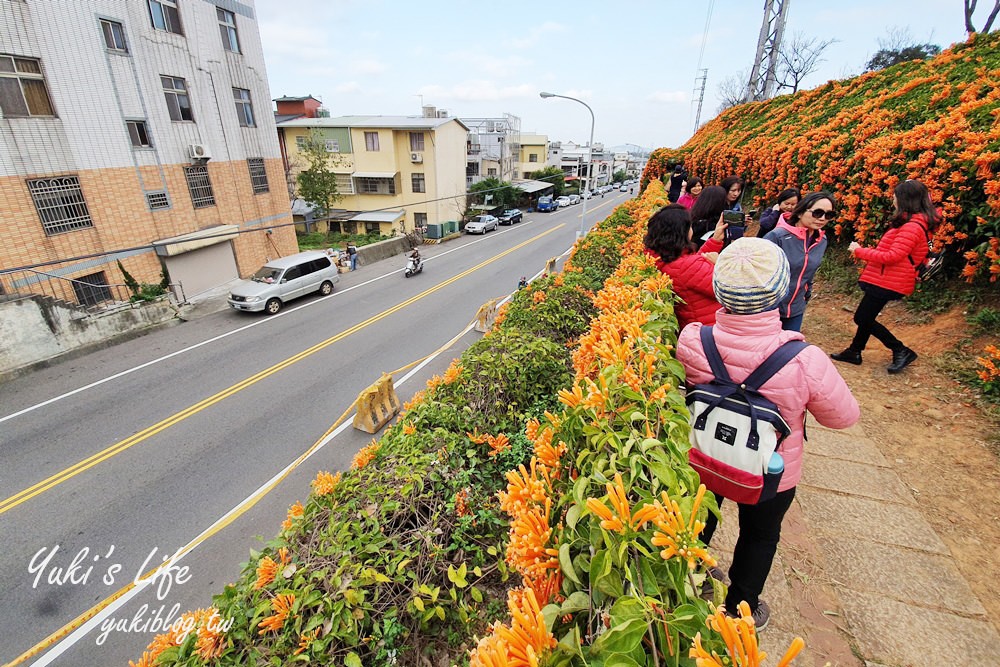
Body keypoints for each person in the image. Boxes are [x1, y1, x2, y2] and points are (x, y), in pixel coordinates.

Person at [676, 237, 860, 630]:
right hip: (769, 472)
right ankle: (740, 610)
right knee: (759, 536)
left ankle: (691, 573)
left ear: (720, 288)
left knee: (699, 516)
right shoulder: (803, 359)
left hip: (704, 454)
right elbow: (843, 417)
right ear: (779, 291)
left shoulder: (693, 338)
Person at [831, 179, 939, 373]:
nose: (892, 199)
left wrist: (859, 251)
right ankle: (855, 351)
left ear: (905, 199)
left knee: (862, 318)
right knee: (868, 316)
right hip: (887, 277)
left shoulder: (912, 226)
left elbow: (892, 256)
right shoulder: (913, 222)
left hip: (890, 279)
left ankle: (900, 349)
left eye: (895, 195)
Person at [643, 204, 725, 330]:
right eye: (690, 226)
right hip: (713, 329)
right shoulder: (687, 266)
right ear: (682, 232)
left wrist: (714, 241)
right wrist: (721, 263)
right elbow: (730, 288)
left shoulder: (663, 258)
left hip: (694, 326)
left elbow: (692, 271)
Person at [763, 191, 835, 331]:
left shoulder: (821, 240)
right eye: (817, 212)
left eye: (829, 215)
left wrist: (806, 296)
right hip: (769, 308)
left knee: (789, 350)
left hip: (796, 308)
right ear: (800, 212)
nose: (822, 218)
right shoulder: (777, 237)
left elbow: (809, 274)